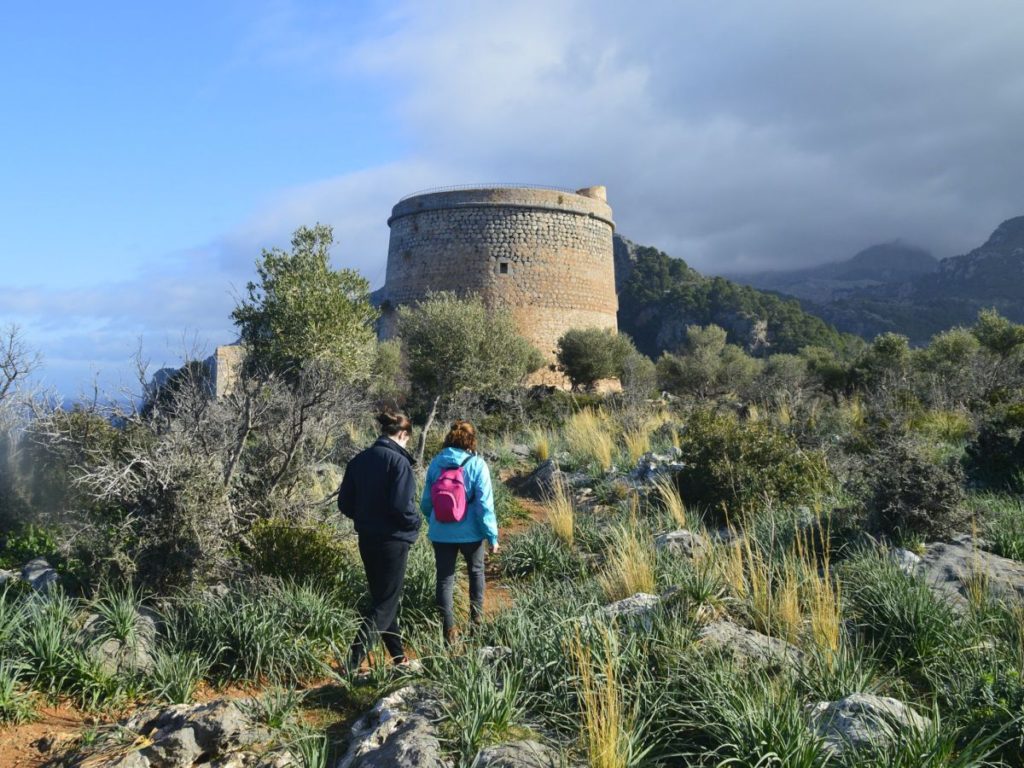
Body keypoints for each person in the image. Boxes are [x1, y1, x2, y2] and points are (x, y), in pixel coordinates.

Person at [338, 410, 420, 670]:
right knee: (385, 604)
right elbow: (401, 506)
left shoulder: (359, 461)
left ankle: (398, 657)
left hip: (367, 538)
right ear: (403, 434)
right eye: (408, 438)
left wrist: (365, 518)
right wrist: (415, 523)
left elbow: (344, 503)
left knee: (383, 600)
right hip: (393, 540)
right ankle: (352, 663)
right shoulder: (399, 463)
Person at [420, 420, 499, 645]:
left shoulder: (436, 463)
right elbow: (485, 505)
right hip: (471, 534)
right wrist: (492, 536)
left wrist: (433, 521)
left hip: (441, 533)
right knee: (476, 573)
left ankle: (449, 631)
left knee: (444, 579)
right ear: (472, 440)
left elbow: (426, 502)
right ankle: (476, 625)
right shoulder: (477, 464)